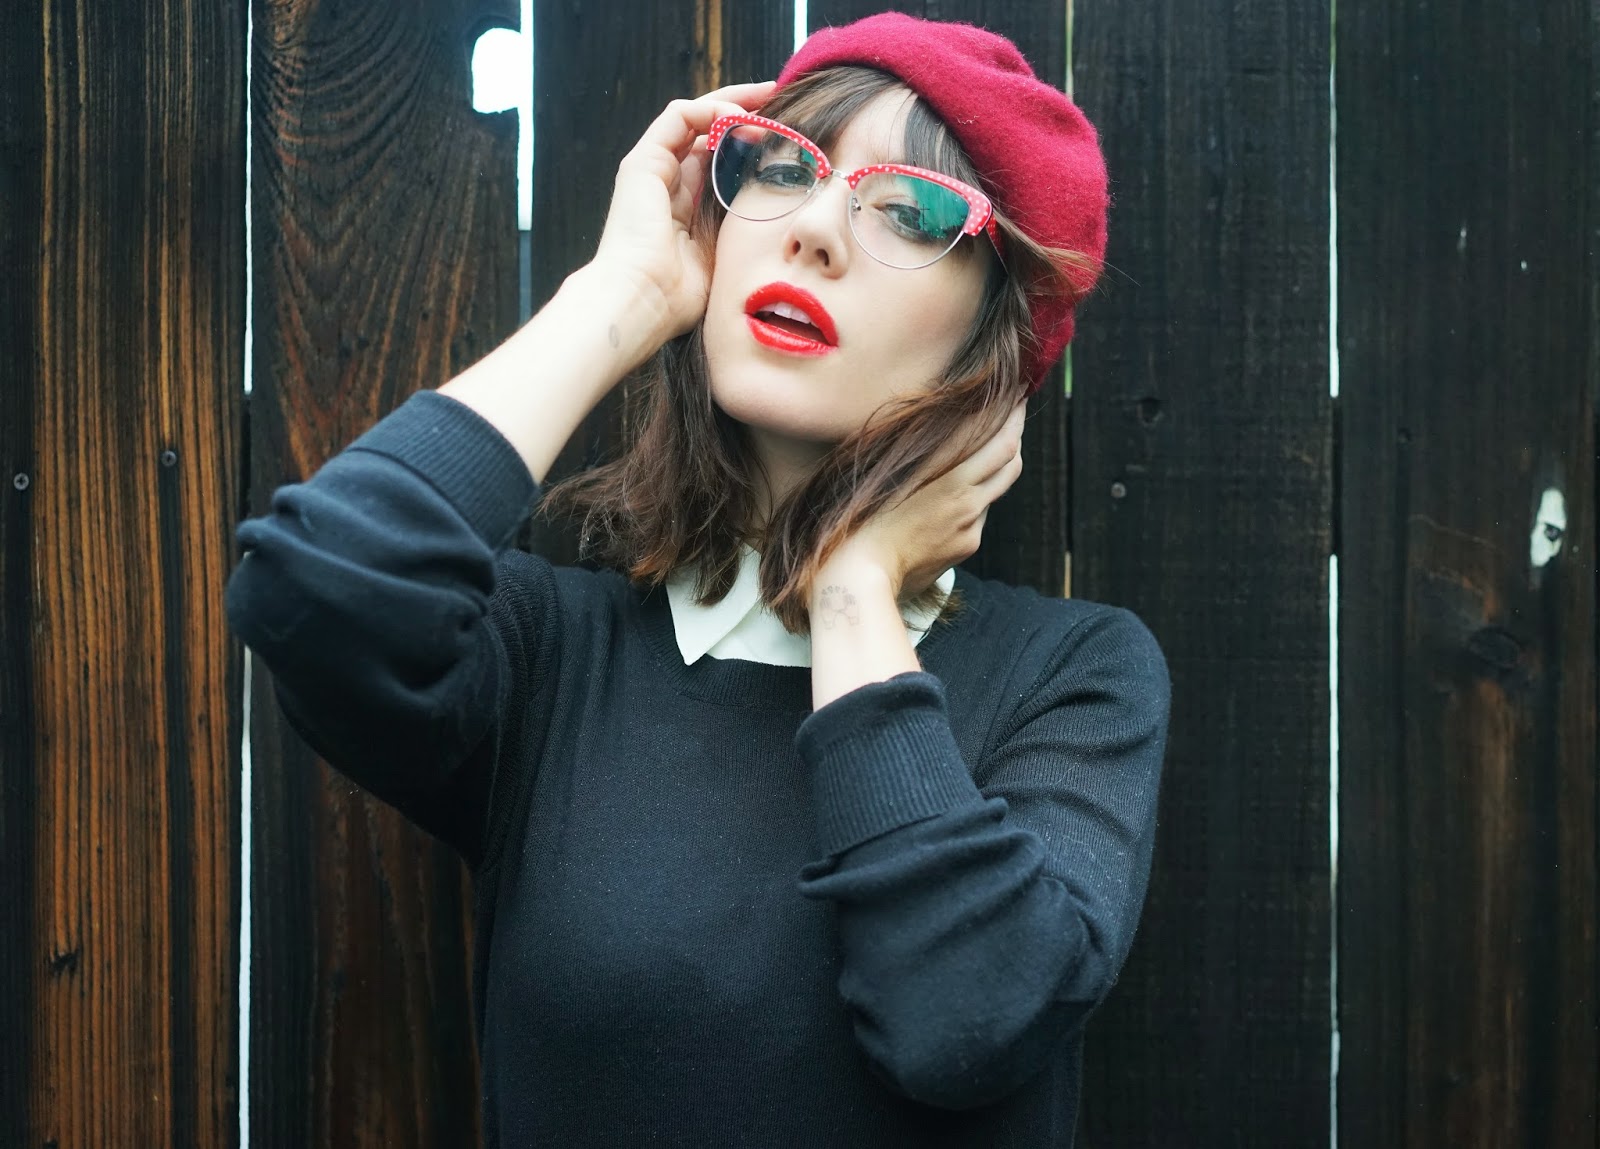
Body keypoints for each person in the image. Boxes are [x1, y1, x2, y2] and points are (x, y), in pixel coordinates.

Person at [226, 12, 1171, 1147]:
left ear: (995, 350)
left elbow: (966, 1018)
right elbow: (318, 592)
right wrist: (621, 294)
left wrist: (854, 590)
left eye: (909, 208)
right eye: (779, 168)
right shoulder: (551, 656)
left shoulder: (1073, 676)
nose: (814, 227)